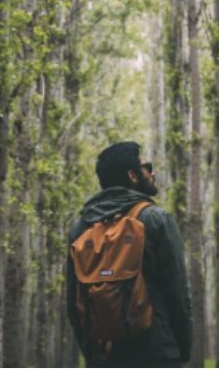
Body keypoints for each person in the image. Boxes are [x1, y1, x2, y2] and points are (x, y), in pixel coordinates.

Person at [66, 141, 193, 367]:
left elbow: (73, 304)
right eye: (147, 166)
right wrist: (180, 350)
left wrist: (93, 355)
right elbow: (178, 295)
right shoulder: (156, 220)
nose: (152, 172)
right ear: (133, 176)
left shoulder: (81, 229)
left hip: (105, 356)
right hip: (157, 354)